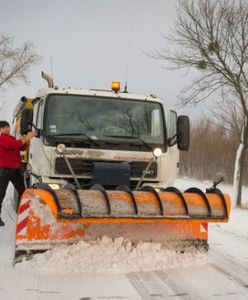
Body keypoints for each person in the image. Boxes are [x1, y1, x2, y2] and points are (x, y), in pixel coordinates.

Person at [0, 120, 36, 226]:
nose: (7, 129)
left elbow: (21, 147)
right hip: (5, 169)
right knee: (1, 193)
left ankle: (23, 213)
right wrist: (26, 138)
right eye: (4, 127)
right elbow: (14, 145)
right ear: (1, 129)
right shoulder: (2, 138)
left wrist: (26, 139)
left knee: (22, 191)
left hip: (15, 170)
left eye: (7, 127)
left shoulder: (11, 138)